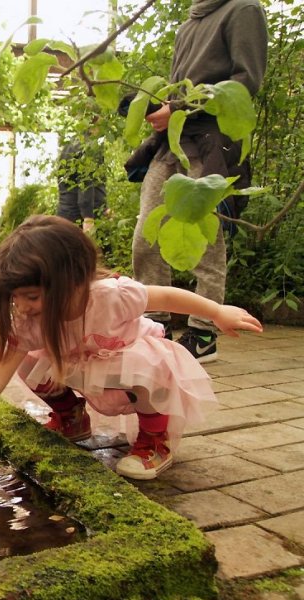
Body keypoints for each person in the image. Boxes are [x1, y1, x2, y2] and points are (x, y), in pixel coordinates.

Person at [0, 216, 263, 480]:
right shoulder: (30, 322)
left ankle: (154, 441)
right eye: (15, 297)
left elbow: (165, 296)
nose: (21, 307)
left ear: (71, 282)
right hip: (80, 363)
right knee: (24, 361)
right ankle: (71, 416)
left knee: (147, 365)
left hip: (127, 358)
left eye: (31, 297)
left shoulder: (111, 296)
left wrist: (217, 312)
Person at [131, 0, 267, 363]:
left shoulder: (243, 10)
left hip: (212, 143)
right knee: (147, 233)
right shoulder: (188, 23)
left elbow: (245, 82)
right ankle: (154, 327)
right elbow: (179, 89)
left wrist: (178, 108)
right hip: (173, 142)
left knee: (206, 236)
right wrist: (159, 107)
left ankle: (204, 334)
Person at [56, 136, 105, 232]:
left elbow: (96, 182)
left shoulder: (71, 144)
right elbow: (85, 182)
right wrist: (88, 218)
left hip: (66, 214)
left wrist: (104, 207)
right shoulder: (87, 146)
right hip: (77, 216)